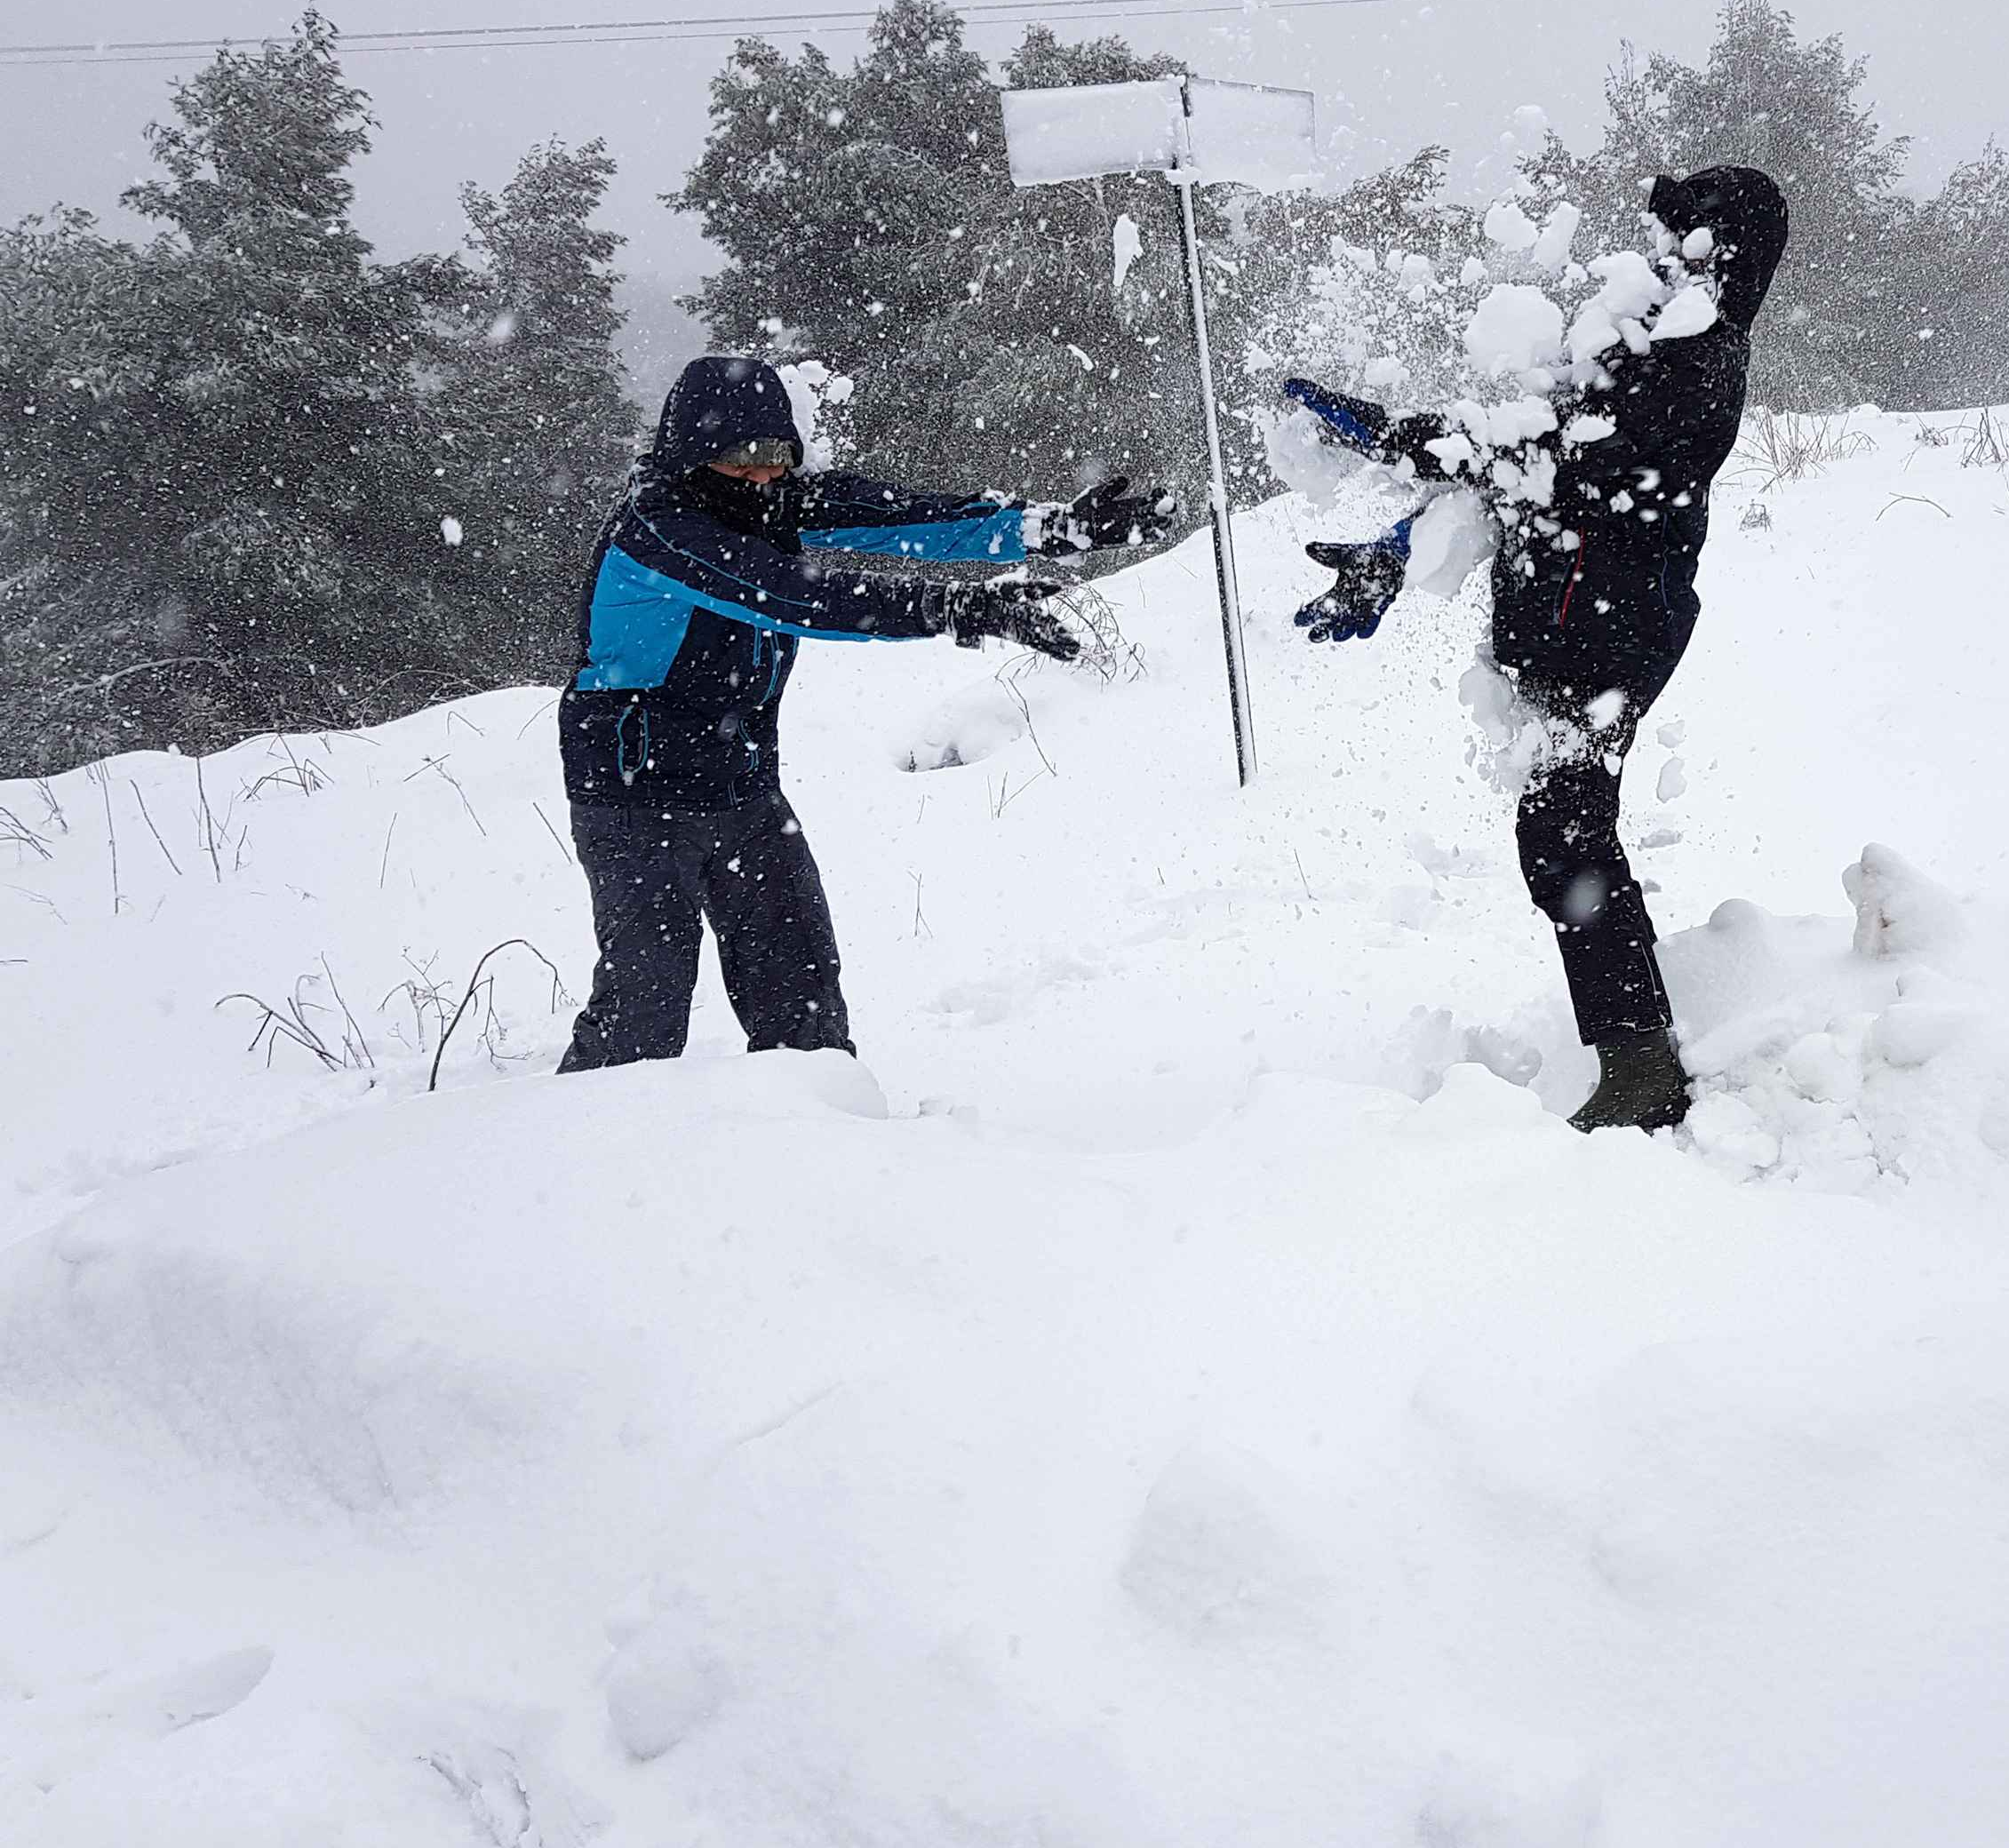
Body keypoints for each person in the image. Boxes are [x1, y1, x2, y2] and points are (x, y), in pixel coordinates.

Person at [1280, 165, 1789, 1132]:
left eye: (1687, 237)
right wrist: (1399, 555)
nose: (1662, 252)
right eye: (1663, 235)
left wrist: (1392, 435)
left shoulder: (1697, 359)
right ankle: (1635, 1052)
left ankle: (1642, 1066)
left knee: (1563, 837)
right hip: (1572, 619)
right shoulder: (1639, 340)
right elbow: (1520, 479)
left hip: (1613, 631)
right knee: (1560, 837)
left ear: (1726, 252)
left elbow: (1535, 449)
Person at [554, 354, 1167, 1073]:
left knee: (803, 996)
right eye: (741, 457)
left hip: (743, 785)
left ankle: (818, 1151)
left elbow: (911, 521)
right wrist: (951, 608)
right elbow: (789, 593)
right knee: (644, 1016)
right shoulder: (658, 531)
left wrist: (1055, 528)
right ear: (690, 455)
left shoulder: (770, 502)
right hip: (636, 795)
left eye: (777, 454)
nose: (764, 474)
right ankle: (589, 1155)